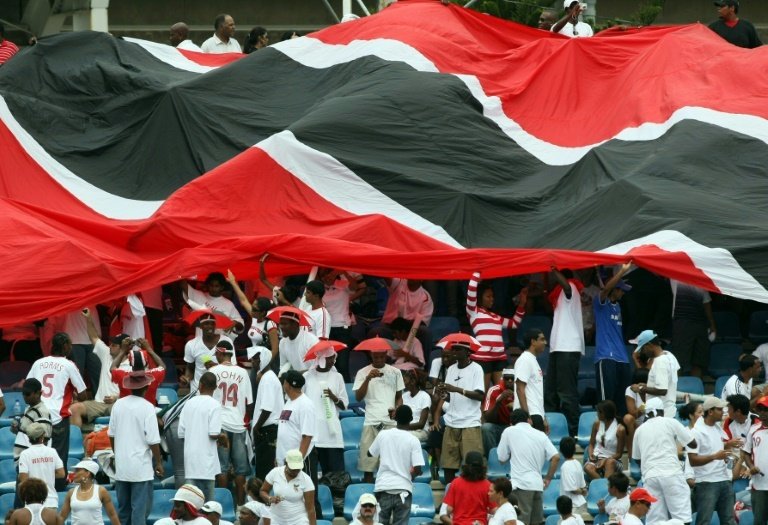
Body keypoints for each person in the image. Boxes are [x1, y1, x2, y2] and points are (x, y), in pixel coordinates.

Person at [108, 369, 164, 525]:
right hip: (141, 467)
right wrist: (158, 462)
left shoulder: (118, 405)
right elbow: (153, 440)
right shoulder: (148, 407)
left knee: (124, 511)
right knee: (139, 511)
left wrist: (117, 453)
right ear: (146, 388)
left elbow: (111, 435)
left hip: (122, 467)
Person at [26, 332, 86, 475]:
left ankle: (37, 481)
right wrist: (73, 393)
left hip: (37, 414)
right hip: (58, 416)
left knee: (36, 453)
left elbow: (27, 386)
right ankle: (58, 485)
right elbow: (83, 394)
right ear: (65, 346)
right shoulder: (68, 365)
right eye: (70, 345)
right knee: (59, 455)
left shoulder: (38, 363)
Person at [631, 397, 696, 524]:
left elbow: (637, 459)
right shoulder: (670, 422)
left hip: (650, 477)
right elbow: (693, 443)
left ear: (647, 413)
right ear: (662, 411)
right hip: (672, 474)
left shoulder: (639, 430)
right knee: (682, 518)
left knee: (655, 520)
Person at [497, 409, 560, 525]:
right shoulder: (541, 435)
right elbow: (556, 457)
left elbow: (501, 458)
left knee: (522, 522)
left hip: (521, 485)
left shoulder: (509, 431)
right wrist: (548, 478)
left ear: (511, 422)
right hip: (537, 485)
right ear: (529, 420)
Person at [434, 341, 485, 484]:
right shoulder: (451, 369)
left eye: (458, 349)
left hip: (470, 423)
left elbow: (480, 395)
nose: (454, 351)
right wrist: (443, 394)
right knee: (449, 466)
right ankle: (450, 494)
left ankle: (471, 496)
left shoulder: (477, 369)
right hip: (451, 422)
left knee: (472, 466)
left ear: (468, 352)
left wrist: (457, 389)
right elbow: (451, 397)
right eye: (453, 349)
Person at [466, 271, 527, 387]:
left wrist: (521, 305)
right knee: (482, 395)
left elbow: (514, 324)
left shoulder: (496, 317)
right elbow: (471, 292)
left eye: (492, 296)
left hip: (499, 358)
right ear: (479, 297)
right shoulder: (473, 312)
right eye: (488, 296)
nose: (492, 299)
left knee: (501, 394)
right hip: (482, 359)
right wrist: (477, 272)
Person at [209, 343, 253, 505]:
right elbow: (249, 402)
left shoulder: (212, 371)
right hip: (238, 424)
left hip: (219, 425)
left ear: (220, 354)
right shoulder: (243, 372)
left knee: (222, 467)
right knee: (241, 469)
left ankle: (224, 506)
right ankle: (240, 505)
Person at [354, 348, 404, 483]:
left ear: (386, 356)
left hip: (390, 423)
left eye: (382, 357)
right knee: (368, 466)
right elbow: (358, 397)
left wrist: (397, 409)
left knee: (390, 464)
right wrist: (368, 378)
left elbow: (399, 397)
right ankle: (369, 498)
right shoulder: (362, 372)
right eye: (376, 357)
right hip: (370, 421)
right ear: (371, 355)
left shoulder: (395, 372)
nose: (379, 360)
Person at [368, 405, 424, 525]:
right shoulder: (413, 440)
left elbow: (370, 453)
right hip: (403, 489)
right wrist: (414, 475)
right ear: (411, 419)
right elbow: (418, 468)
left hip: (383, 487)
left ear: (395, 418)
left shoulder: (383, 434)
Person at [69, 309, 125, 428]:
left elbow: (135, 391)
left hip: (119, 404)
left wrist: (116, 397)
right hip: (98, 403)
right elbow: (93, 337)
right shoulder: (106, 353)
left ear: (123, 349)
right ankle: (76, 443)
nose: (110, 346)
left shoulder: (132, 363)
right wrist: (89, 319)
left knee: (127, 412)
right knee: (74, 409)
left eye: (114, 345)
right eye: (111, 343)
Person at [545, 267, 584, 435]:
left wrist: (553, 270)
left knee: (566, 393)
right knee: (551, 392)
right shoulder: (558, 296)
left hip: (568, 348)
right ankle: (553, 429)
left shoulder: (571, 287)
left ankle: (574, 432)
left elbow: (566, 287)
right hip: (558, 348)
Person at [687, 396, 735, 525]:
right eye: (720, 409)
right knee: (704, 521)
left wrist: (728, 445)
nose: (723, 412)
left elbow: (714, 448)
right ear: (710, 412)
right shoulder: (695, 433)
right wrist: (715, 457)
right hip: (706, 482)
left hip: (724, 479)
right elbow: (692, 460)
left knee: (729, 520)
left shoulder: (717, 428)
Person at [179, 371, 225, 501]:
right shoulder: (215, 405)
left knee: (190, 503)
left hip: (191, 458)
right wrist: (223, 437)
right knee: (208, 505)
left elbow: (181, 433)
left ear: (200, 385)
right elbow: (213, 434)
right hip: (207, 462)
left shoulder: (189, 403)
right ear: (215, 388)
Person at [593, 263, 633, 412]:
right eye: (621, 290)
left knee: (622, 403)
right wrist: (622, 271)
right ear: (614, 290)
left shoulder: (618, 306)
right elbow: (605, 290)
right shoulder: (601, 304)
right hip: (606, 356)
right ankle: (603, 433)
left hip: (623, 358)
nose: (622, 293)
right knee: (606, 403)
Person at [303, 346, 347, 474]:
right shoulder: (307, 376)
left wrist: (334, 397)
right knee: (311, 474)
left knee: (335, 475)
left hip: (332, 433)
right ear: (321, 358)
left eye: (334, 358)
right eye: (330, 359)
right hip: (313, 433)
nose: (333, 362)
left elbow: (344, 406)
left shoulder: (337, 377)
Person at [669, 279, 717, 377]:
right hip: (682, 321)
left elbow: (706, 302)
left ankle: (696, 387)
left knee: (699, 361)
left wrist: (711, 324)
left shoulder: (700, 279)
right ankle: (677, 388)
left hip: (701, 323)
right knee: (679, 361)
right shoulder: (675, 275)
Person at [227, 270, 279, 356]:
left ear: (263, 312)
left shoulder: (270, 324)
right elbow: (243, 300)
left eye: (254, 309)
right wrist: (233, 282)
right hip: (255, 360)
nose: (251, 311)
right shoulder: (255, 317)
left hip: (266, 363)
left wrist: (264, 367)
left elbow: (275, 350)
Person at [251, 346, 283, 479]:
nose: (252, 362)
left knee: (265, 472)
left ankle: (265, 499)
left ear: (262, 360)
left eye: (255, 360)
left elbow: (267, 409)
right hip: (267, 429)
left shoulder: (268, 379)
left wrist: (256, 427)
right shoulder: (268, 377)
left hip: (267, 430)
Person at [630, 330, 679, 417]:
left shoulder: (660, 362)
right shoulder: (670, 355)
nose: (643, 352)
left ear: (649, 345)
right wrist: (647, 386)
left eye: (643, 348)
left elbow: (662, 390)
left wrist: (641, 388)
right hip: (669, 410)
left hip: (660, 413)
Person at [260, 449, 317, 525]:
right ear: (286, 463)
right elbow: (263, 491)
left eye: (298, 469)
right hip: (276, 518)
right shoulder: (275, 472)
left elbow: (310, 509)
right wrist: (270, 498)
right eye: (293, 469)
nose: (296, 471)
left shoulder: (306, 480)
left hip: (298, 519)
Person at [17, 422, 65, 509]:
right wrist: (48, 473)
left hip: (32, 502)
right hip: (51, 501)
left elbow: (23, 479)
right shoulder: (52, 451)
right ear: (43, 436)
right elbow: (61, 473)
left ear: (29, 437)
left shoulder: (25, 454)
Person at [59, 459, 120, 525]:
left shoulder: (101, 491)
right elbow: (62, 517)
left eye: (77, 471)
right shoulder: (71, 493)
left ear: (88, 473)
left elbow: (112, 515)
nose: (74, 474)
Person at [183, 313, 234, 391]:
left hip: (219, 390)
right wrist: (186, 379)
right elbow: (190, 368)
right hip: (198, 390)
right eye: (206, 323)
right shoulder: (191, 345)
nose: (210, 326)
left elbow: (232, 367)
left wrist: (216, 367)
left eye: (212, 323)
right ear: (200, 326)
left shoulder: (226, 341)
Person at [443, 451, 492, 525]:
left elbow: (443, 513)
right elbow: (495, 510)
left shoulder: (456, 483)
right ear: (482, 468)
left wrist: (454, 523)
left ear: (465, 467)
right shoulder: (488, 485)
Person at [514, 329, 548, 432]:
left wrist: (543, 417)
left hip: (536, 414)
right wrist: (526, 417)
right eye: (542, 339)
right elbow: (520, 389)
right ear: (533, 342)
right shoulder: (525, 360)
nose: (545, 343)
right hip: (530, 415)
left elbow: (536, 393)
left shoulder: (532, 360)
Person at [12, 378, 51, 464]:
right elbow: (28, 434)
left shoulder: (42, 412)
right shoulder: (29, 409)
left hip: (31, 463)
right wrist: (17, 430)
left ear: (39, 393)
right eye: (23, 394)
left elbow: (44, 440)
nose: (24, 396)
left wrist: (33, 464)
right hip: (24, 461)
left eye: (28, 394)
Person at [742, 395, 768, 524]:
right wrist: (751, 467)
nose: (762, 413)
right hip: (759, 485)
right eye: (760, 409)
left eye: (765, 409)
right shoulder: (753, 430)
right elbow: (746, 453)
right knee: (759, 521)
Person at [584, 400, 626, 480]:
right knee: (588, 467)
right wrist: (591, 455)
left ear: (606, 413)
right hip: (597, 457)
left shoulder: (620, 429)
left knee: (609, 463)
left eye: (600, 412)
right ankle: (605, 485)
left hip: (613, 460)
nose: (597, 414)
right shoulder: (596, 424)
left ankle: (607, 489)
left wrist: (605, 460)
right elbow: (591, 444)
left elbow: (619, 454)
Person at [482, 368, 515, 454]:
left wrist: (516, 407)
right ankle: (491, 458)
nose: (510, 380)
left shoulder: (521, 390)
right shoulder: (494, 390)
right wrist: (498, 402)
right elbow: (487, 418)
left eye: (512, 378)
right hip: (499, 427)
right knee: (486, 428)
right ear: (503, 378)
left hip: (514, 427)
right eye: (507, 378)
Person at [559, 437, 587, 518]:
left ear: (560, 450)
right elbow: (583, 487)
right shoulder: (577, 463)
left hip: (571, 507)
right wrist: (583, 491)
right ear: (575, 449)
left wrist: (581, 491)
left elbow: (573, 489)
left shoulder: (565, 467)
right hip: (578, 504)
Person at [623, 368, 648, 456]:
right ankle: (632, 456)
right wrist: (645, 404)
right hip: (636, 424)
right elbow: (633, 413)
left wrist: (646, 393)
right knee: (627, 418)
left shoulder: (652, 390)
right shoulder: (630, 390)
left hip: (651, 421)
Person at [401, 369, 430, 443]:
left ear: (413, 382)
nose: (402, 383)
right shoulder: (404, 396)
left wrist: (402, 427)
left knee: (401, 438)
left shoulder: (424, 396)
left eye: (404, 380)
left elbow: (421, 424)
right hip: (405, 430)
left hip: (421, 432)